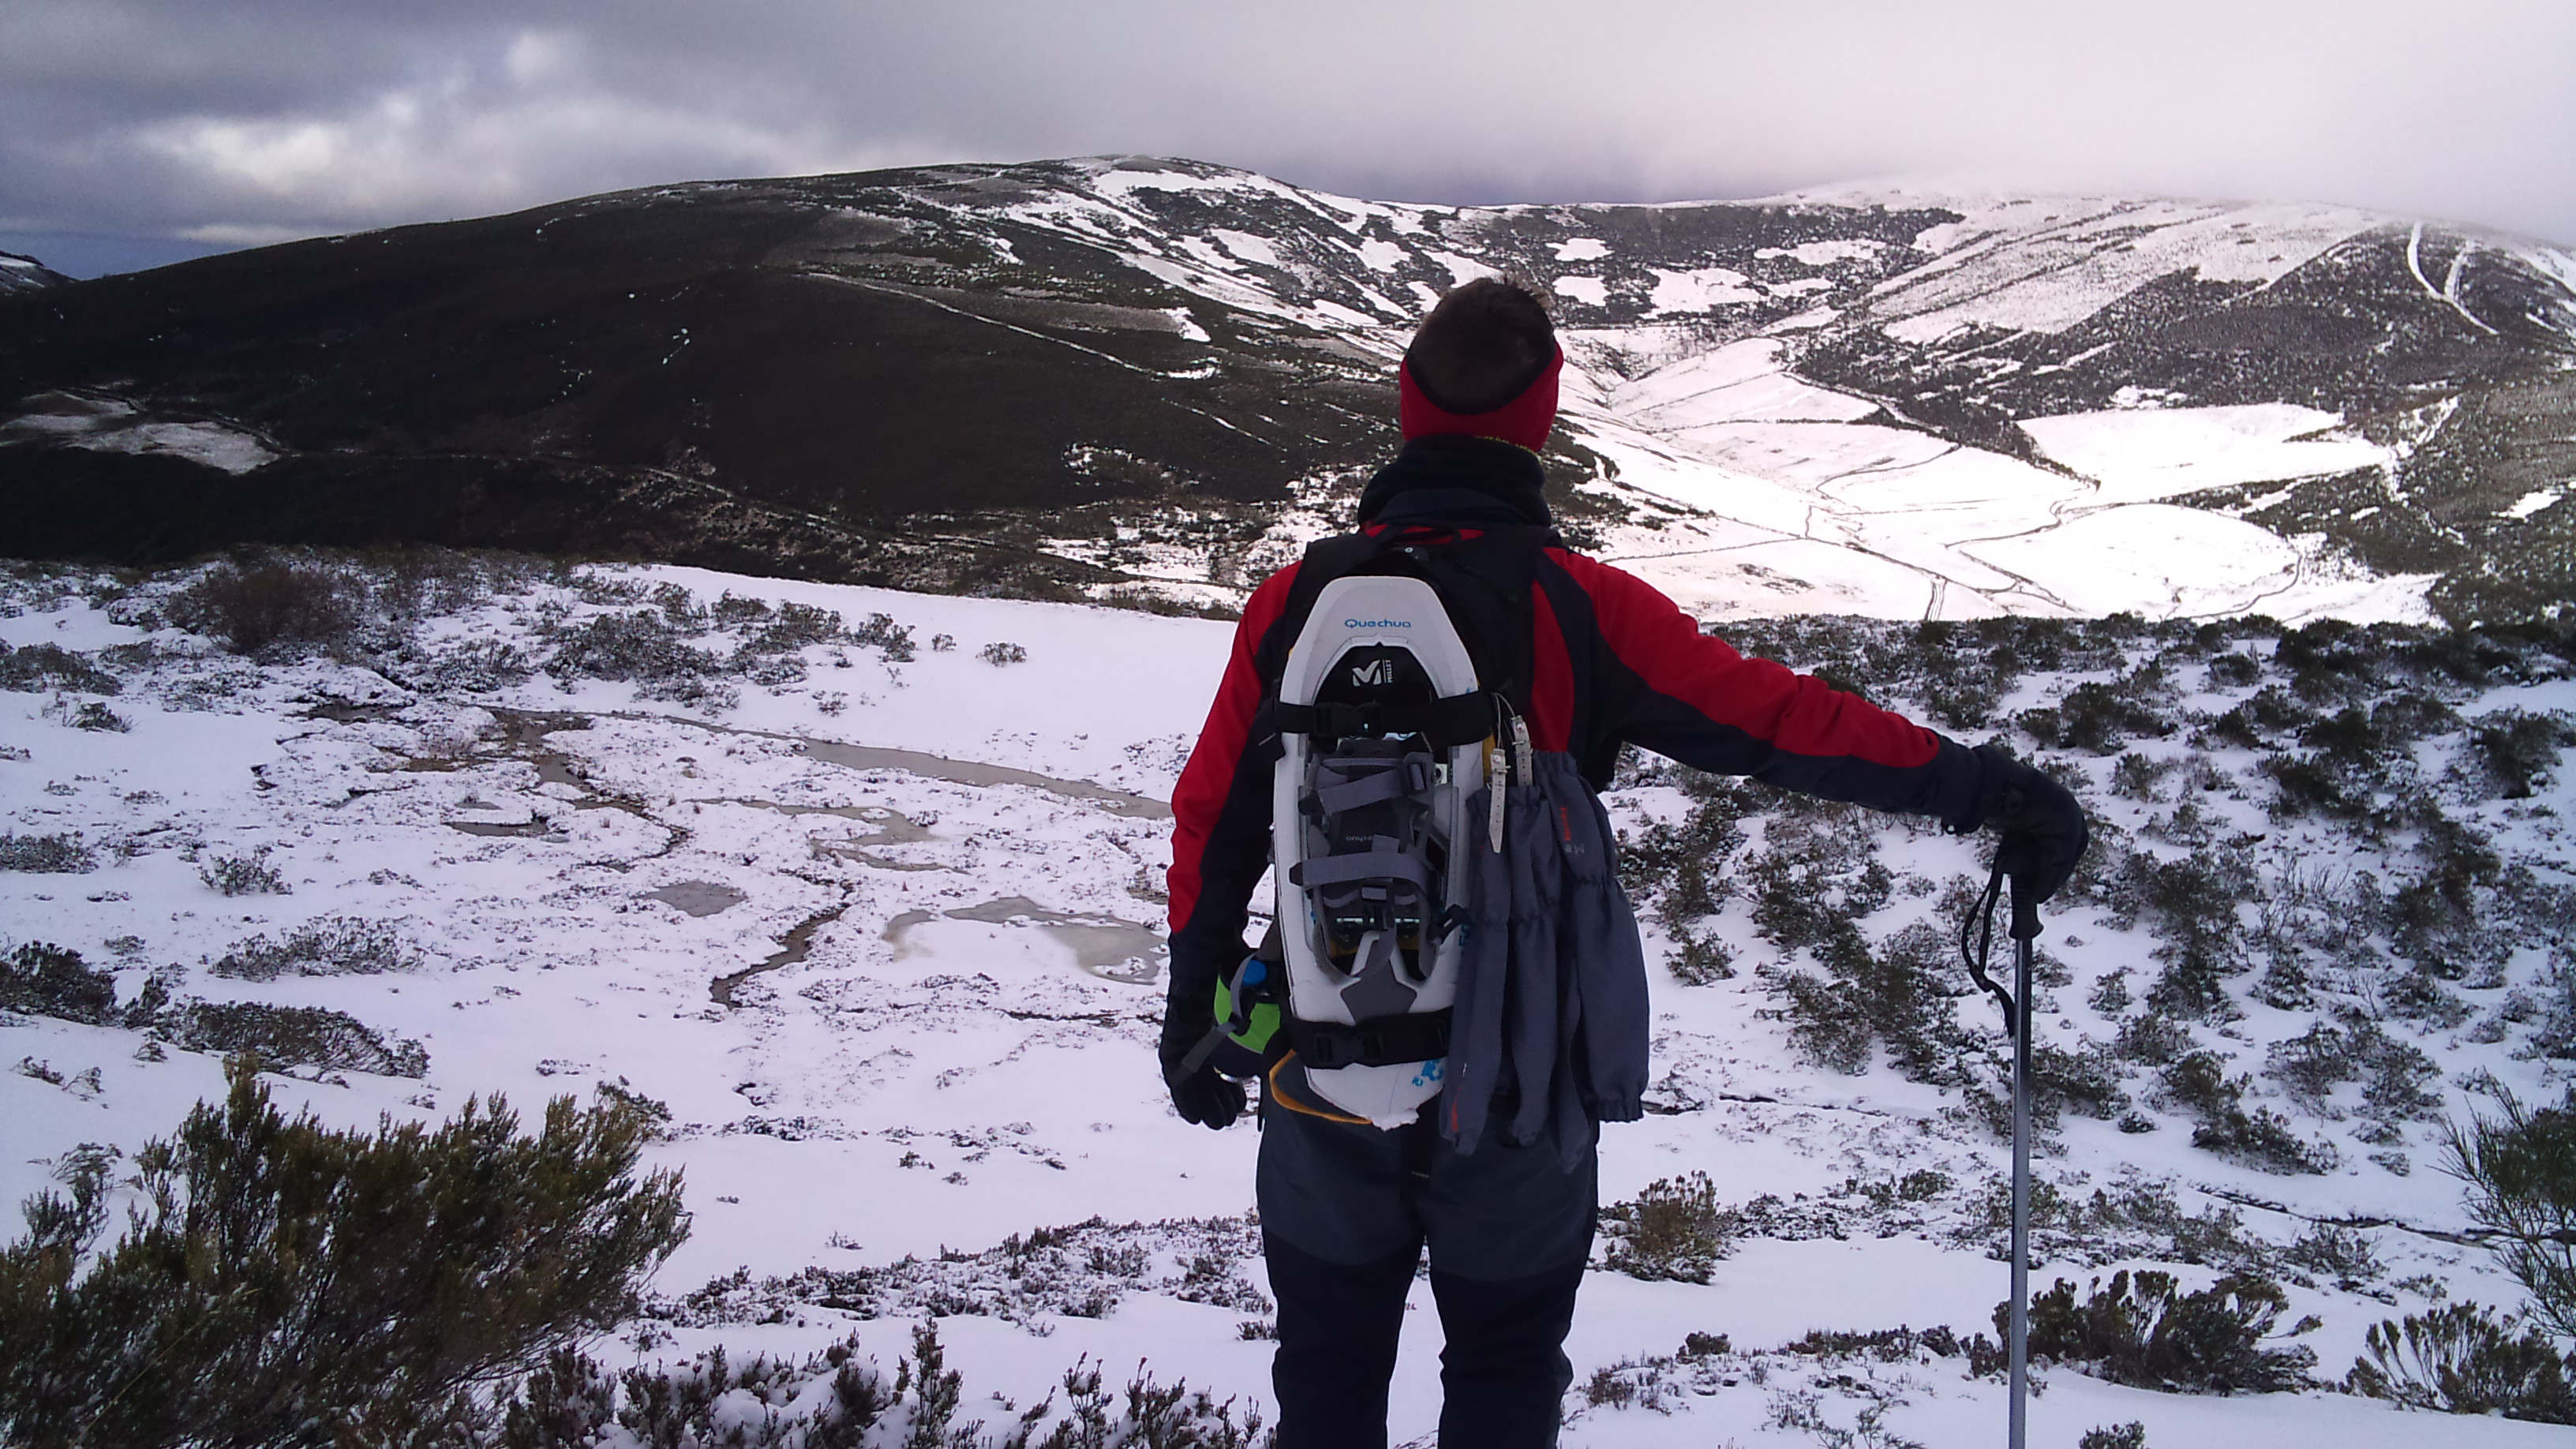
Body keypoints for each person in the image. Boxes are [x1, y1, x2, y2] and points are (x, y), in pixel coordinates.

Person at [1159, 278, 2086, 1449]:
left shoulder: (1293, 604)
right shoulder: (1581, 605)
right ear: (1541, 417)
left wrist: (1192, 1006)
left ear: (1408, 406)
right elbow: (1782, 724)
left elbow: (1215, 816)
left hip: (1318, 1066)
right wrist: (1982, 788)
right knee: (1501, 1375)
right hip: (1516, 1083)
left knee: (1328, 1386)